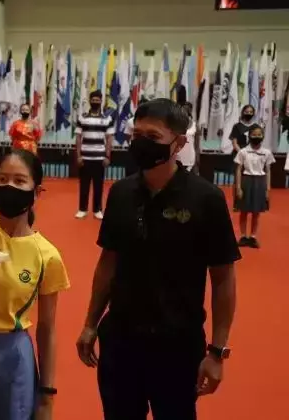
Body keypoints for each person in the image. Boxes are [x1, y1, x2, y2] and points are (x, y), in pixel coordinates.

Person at [76, 98, 240, 420]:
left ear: (178, 144)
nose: (141, 143)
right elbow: (108, 262)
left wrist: (217, 352)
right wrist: (90, 324)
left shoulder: (207, 199)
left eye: (153, 137)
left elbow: (223, 279)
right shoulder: (121, 193)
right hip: (121, 343)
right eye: (137, 135)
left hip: (177, 347)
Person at [0, 149, 70, 420]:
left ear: (36, 192)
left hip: (12, 358)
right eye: (2, 179)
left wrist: (47, 395)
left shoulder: (46, 255)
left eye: (19, 181)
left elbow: (47, 329)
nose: (9, 186)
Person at [74, 90, 114, 219]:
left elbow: (109, 139)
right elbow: (78, 137)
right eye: (93, 100)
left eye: (97, 100)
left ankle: (97, 210)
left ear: (101, 101)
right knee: (84, 185)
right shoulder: (82, 117)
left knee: (98, 185)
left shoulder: (107, 118)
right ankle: (82, 209)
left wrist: (107, 156)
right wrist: (78, 156)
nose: (95, 102)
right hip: (85, 157)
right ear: (90, 101)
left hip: (100, 157)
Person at [234, 125, 274, 249]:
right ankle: (243, 236)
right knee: (244, 211)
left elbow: (268, 171)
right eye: (254, 135)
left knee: (256, 212)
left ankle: (253, 236)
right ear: (249, 136)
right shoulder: (243, 152)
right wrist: (238, 187)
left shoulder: (266, 153)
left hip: (260, 182)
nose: (256, 137)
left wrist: (268, 189)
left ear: (263, 136)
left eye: (259, 135)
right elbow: (238, 169)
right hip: (246, 181)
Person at [176, 102, 199, 174]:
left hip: (190, 158)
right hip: (178, 157)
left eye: (187, 110)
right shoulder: (176, 125)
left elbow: (197, 145)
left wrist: (197, 159)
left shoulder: (195, 125)